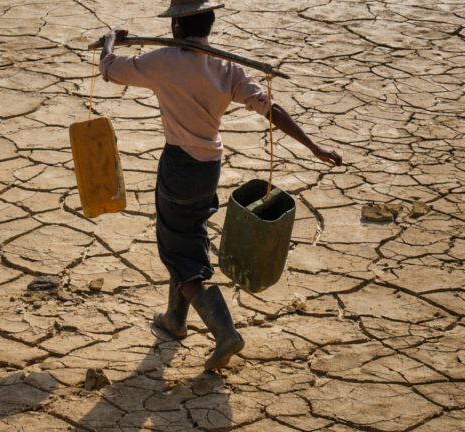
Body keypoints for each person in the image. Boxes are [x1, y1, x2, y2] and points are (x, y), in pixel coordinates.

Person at [99, 0, 342, 370]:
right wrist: (313, 145)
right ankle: (174, 320)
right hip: (209, 166)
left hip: (179, 165)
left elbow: (110, 70)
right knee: (186, 236)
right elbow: (268, 106)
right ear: (208, 26)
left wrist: (110, 41)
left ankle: (225, 332)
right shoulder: (227, 67)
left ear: (178, 28)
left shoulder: (163, 61)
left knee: (177, 247)